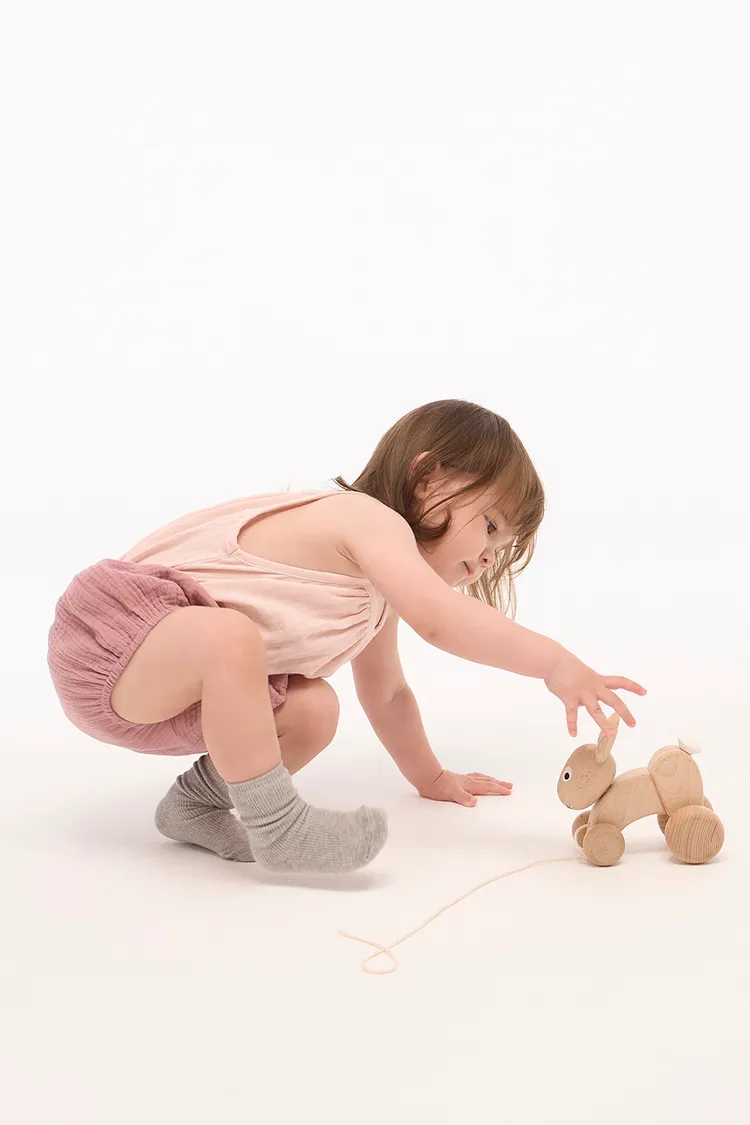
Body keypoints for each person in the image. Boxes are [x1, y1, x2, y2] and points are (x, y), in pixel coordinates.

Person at [47, 399, 646, 875]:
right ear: (427, 477)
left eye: (501, 548)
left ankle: (195, 804)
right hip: (110, 647)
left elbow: (387, 694)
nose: (489, 557)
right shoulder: (363, 519)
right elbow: (440, 620)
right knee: (230, 636)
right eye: (489, 526)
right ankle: (278, 827)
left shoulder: (375, 597)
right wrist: (554, 664)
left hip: (167, 693)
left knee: (314, 710)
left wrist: (431, 777)